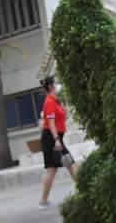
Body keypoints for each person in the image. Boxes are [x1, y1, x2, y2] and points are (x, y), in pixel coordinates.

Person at [38, 76, 74, 210]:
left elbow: (61, 116)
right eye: (56, 83)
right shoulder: (49, 102)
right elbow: (51, 123)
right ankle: (42, 201)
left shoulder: (55, 101)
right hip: (51, 138)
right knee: (59, 167)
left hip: (55, 137)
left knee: (65, 165)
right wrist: (57, 140)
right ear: (51, 86)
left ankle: (43, 201)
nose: (58, 84)